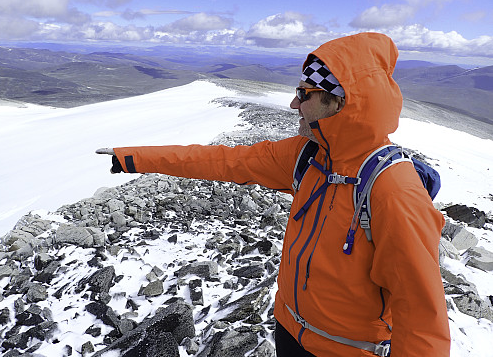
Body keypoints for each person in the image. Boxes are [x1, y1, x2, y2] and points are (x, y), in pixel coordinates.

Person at [97, 32, 450, 356]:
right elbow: (222, 160)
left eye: (303, 94)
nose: (294, 105)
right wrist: (132, 158)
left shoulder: (394, 190)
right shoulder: (308, 155)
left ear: (339, 102)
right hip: (288, 330)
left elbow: (422, 316)